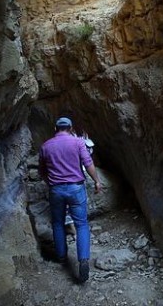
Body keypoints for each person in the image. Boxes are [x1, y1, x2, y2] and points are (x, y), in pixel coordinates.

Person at [38, 117, 102, 283]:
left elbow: (42, 171)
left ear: (55, 128)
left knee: (58, 223)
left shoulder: (45, 146)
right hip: (76, 188)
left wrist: (50, 183)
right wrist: (96, 181)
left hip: (56, 190)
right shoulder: (78, 143)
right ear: (71, 128)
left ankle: (61, 257)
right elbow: (88, 163)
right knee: (81, 224)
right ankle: (83, 261)